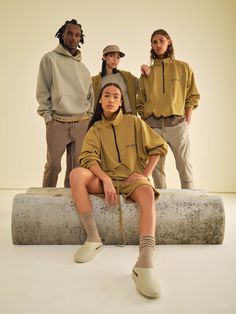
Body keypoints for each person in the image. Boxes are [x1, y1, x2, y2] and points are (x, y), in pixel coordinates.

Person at [70, 83, 168, 298]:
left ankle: (145, 262)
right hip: (107, 181)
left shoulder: (134, 122)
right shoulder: (95, 128)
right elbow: (87, 157)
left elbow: (158, 147)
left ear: (122, 101)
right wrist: (104, 178)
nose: (111, 100)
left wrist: (145, 174)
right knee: (76, 175)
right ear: (100, 100)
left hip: (133, 179)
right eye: (107, 96)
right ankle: (94, 239)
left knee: (148, 194)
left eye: (116, 96)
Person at [137, 29, 200, 189]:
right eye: (154, 42)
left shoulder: (183, 68)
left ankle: (189, 199)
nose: (158, 45)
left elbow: (192, 95)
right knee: (157, 169)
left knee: (184, 165)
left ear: (169, 41)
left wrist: (187, 120)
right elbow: (140, 100)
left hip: (177, 125)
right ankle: (162, 204)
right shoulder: (147, 72)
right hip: (153, 127)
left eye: (161, 41)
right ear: (151, 45)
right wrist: (146, 120)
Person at [36, 19, 94, 187]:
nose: (73, 38)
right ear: (62, 34)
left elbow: (90, 95)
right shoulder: (49, 59)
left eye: (77, 35)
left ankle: (70, 203)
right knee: (53, 166)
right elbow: (43, 89)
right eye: (69, 33)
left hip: (81, 123)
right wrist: (48, 117)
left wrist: (88, 117)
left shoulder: (83, 68)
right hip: (58, 122)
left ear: (80, 38)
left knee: (76, 169)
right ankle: (46, 201)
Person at [92, 45, 149, 115]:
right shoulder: (95, 81)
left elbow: (143, 85)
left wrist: (144, 67)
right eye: (111, 56)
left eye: (118, 57)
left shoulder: (126, 76)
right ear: (104, 57)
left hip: (127, 116)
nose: (115, 60)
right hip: (106, 119)